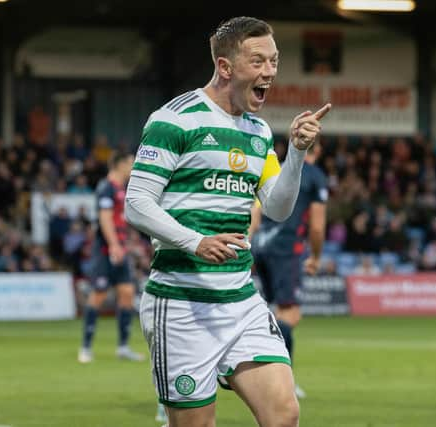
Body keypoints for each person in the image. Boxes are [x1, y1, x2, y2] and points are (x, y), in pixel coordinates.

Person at [125, 16, 330, 427]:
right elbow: (136, 203)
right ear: (225, 67)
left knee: (284, 414)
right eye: (258, 61)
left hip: (240, 299)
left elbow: (277, 208)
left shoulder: (257, 131)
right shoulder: (174, 120)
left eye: (274, 61)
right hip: (181, 304)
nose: (269, 71)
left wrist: (297, 153)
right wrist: (194, 241)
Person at [249, 142, 328, 399]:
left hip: (262, 246)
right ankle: (281, 383)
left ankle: (271, 376)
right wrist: (315, 257)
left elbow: (255, 212)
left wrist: (248, 246)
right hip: (286, 248)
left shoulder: (277, 169)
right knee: (290, 314)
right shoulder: (314, 176)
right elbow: (317, 227)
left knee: (276, 311)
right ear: (318, 150)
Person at [78, 151, 144, 364]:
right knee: (98, 295)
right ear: (118, 165)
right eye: (130, 163)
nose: (132, 167)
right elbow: (104, 218)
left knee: (127, 293)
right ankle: (86, 347)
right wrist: (114, 244)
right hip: (106, 251)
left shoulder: (120, 189)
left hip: (121, 250)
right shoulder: (106, 187)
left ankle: (123, 347)